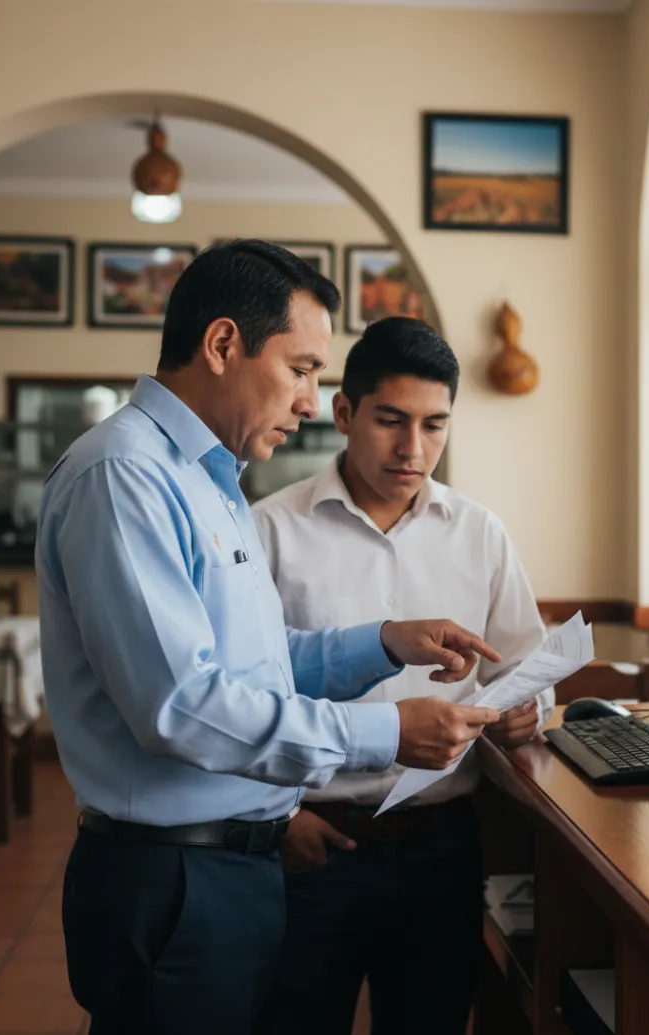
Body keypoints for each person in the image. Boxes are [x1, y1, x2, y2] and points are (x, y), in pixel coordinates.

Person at [35, 242, 502, 1035]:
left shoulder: (209, 482)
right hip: (174, 875)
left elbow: (260, 664)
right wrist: (385, 729)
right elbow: (183, 705)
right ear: (223, 345)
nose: (314, 401)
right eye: (302, 369)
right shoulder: (124, 477)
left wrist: (384, 643)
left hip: (232, 867)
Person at [252, 316, 554, 1035]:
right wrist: (282, 818)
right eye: (390, 420)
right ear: (345, 413)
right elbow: (244, 695)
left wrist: (529, 708)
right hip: (314, 842)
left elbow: (527, 665)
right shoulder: (269, 530)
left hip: (442, 844)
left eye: (434, 425)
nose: (412, 448)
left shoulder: (479, 531)